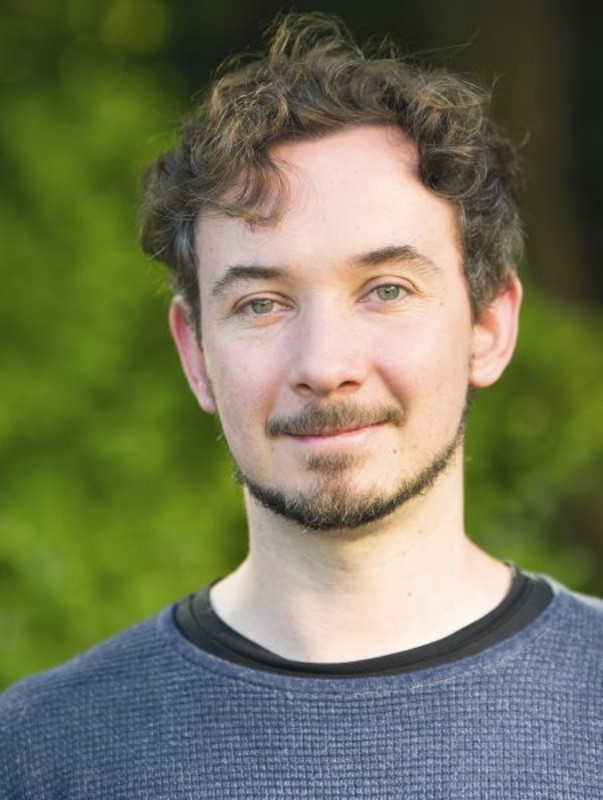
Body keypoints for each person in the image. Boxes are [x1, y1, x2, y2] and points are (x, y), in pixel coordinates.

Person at [1, 12, 601, 799]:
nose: (324, 367)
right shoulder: (42, 751)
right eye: (260, 303)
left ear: (487, 326)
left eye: (386, 291)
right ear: (195, 353)